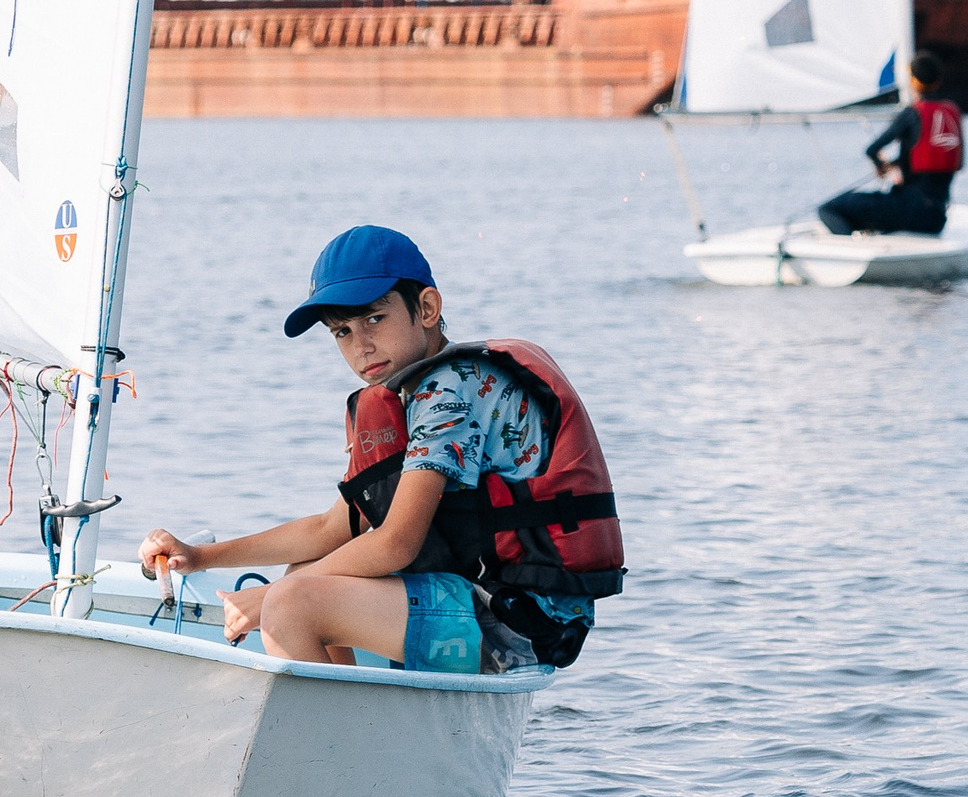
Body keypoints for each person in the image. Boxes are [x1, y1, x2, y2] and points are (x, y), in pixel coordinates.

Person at [137, 226, 625, 676]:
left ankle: (337, 745)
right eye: (342, 332)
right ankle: (354, 721)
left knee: (293, 602)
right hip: (494, 600)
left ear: (427, 308)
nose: (361, 346)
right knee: (303, 574)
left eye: (374, 318)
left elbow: (396, 544)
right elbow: (333, 529)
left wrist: (271, 598)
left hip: (525, 622)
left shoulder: (448, 393)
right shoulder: (415, 392)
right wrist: (200, 556)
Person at [816, 52, 964, 236]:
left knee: (829, 209)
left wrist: (882, 166)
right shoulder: (952, 112)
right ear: (939, 80)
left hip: (906, 210)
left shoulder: (911, 114)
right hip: (936, 218)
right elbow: (933, 159)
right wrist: (897, 164)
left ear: (912, 81)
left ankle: (853, 251)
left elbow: (872, 150)